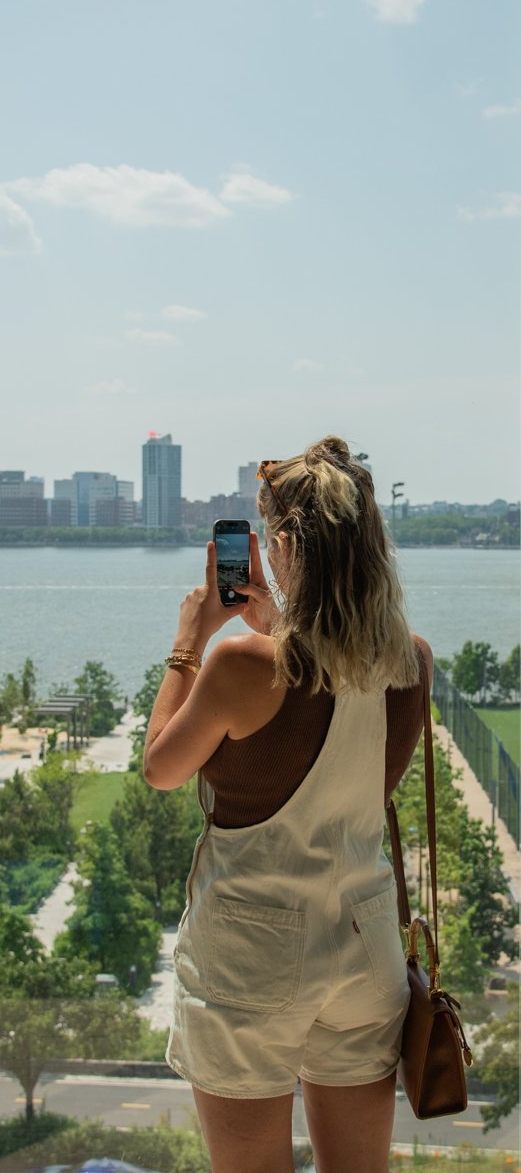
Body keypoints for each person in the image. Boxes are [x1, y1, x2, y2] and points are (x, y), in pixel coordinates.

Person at [144, 437, 430, 1173]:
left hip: (252, 955)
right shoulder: (409, 659)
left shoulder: (240, 663)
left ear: (278, 546)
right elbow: (346, 754)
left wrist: (190, 641)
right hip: (366, 950)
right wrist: (277, 624)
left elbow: (161, 769)